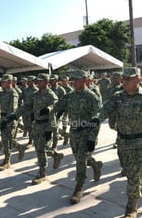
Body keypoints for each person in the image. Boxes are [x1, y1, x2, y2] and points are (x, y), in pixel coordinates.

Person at [97, 67, 142, 218]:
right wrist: (95, 120)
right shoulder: (117, 96)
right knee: (128, 171)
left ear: (138, 80)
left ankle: (132, 206)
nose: (125, 82)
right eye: (124, 79)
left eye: (129, 79)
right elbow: (105, 110)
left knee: (133, 175)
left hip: (139, 141)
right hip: (122, 140)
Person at [5, 73, 64, 184]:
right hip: (36, 125)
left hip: (46, 125)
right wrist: (15, 115)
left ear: (46, 82)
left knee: (41, 149)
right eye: (38, 81)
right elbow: (26, 106)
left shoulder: (51, 95)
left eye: (41, 81)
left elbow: (54, 110)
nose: (38, 83)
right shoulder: (35, 95)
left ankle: (42, 173)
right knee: (39, 148)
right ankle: (56, 155)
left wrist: (49, 129)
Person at [55, 69, 103, 204]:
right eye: (73, 80)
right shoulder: (70, 95)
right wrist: (51, 111)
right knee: (82, 158)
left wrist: (92, 138)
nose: (75, 82)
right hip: (74, 132)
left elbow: (97, 118)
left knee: (80, 160)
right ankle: (95, 166)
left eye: (77, 80)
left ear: (85, 80)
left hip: (87, 133)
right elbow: (58, 105)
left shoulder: (91, 97)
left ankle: (79, 187)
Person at [0, 74, 26, 171]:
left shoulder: (13, 94)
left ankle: (7, 161)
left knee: (8, 140)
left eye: (3, 82)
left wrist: (6, 121)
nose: (1, 84)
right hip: (3, 118)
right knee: (5, 139)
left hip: (10, 120)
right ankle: (20, 147)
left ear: (9, 82)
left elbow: (13, 110)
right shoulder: (2, 93)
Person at [19, 75, 39, 147]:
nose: (28, 83)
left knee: (31, 126)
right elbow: (20, 98)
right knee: (26, 125)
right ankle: (31, 138)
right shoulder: (25, 90)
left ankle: (31, 141)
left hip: (32, 110)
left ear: (33, 81)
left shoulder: (36, 90)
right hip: (25, 110)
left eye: (30, 81)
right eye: (28, 81)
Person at [49, 74, 66, 150]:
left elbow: (64, 102)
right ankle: (65, 134)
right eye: (50, 80)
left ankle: (54, 146)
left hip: (57, 113)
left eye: (52, 80)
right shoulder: (49, 89)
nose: (50, 81)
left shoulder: (61, 90)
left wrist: (60, 113)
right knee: (49, 128)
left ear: (56, 80)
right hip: (49, 113)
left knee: (55, 129)